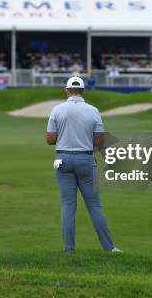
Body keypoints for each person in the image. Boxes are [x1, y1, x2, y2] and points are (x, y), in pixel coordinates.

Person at [46, 76, 122, 253]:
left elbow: (50, 139)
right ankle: (109, 248)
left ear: (66, 90)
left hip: (62, 160)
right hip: (86, 159)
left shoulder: (57, 110)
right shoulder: (93, 110)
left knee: (67, 205)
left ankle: (69, 250)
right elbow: (100, 140)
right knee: (94, 205)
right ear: (83, 91)